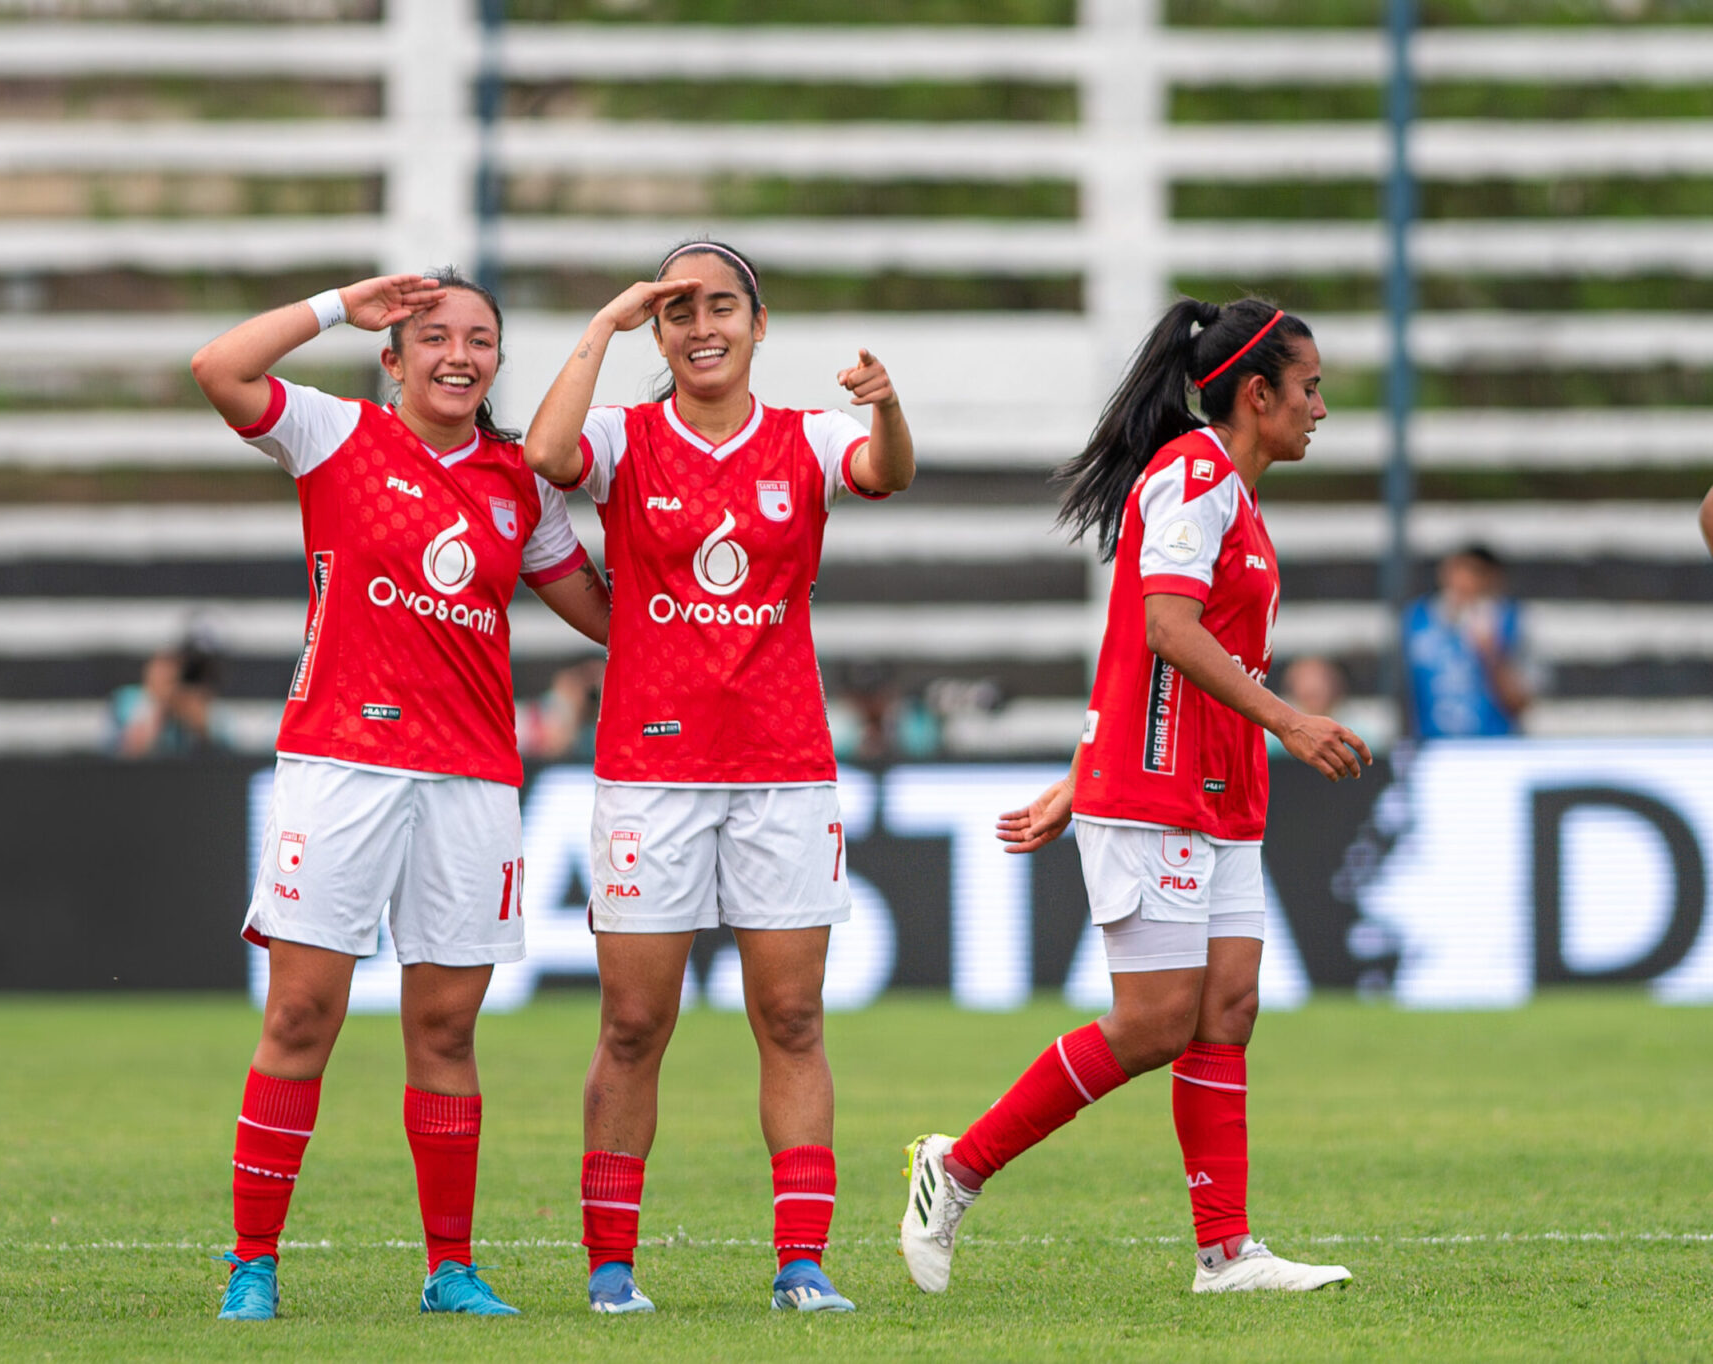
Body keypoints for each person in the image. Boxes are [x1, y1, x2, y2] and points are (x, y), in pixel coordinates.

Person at [898, 296, 1371, 1296]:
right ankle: (958, 1164)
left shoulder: (1228, 492)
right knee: (1154, 1022)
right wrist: (1288, 720)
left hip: (1212, 787)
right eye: (1309, 387)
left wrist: (1075, 778)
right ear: (1256, 393)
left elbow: (1132, 650)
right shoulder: (1194, 475)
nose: (1319, 408)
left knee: (1225, 1009)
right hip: (1158, 791)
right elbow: (1163, 628)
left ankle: (1224, 1251)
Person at [189, 269, 611, 1321]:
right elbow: (219, 367)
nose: (457, 354)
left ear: (498, 360)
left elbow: (603, 615)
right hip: (339, 763)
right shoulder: (335, 433)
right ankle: (253, 1262)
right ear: (394, 355)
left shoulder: (523, 481)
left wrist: (726, 589)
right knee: (299, 1013)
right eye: (433, 337)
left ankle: (449, 1268)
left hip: (471, 775)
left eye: (478, 338)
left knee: (446, 1029)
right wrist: (338, 302)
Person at [524, 240, 914, 1315]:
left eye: (721, 306)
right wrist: (601, 327)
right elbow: (546, 456)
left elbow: (884, 472)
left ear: (756, 321)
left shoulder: (807, 437)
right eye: (677, 310)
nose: (701, 326)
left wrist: (883, 404)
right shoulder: (623, 435)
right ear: (657, 329)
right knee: (632, 1025)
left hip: (783, 772)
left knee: (790, 1018)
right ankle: (611, 1271)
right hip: (650, 772)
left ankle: (800, 1266)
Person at [1401, 544, 1533, 738]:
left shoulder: (1511, 622)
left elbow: (1521, 702)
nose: (1463, 582)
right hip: (1432, 747)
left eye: (1474, 574)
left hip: (1493, 746)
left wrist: (1490, 652)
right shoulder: (1417, 620)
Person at [109, 630, 230, 757]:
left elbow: (227, 756)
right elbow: (128, 753)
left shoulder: (210, 709)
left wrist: (199, 724)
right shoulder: (126, 700)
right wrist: (159, 703)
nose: (173, 674)